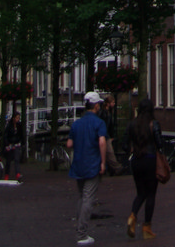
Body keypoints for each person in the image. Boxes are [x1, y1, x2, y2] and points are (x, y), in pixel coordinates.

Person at [66, 91, 107, 247]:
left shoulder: (76, 124)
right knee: (88, 198)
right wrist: (103, 162)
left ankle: (80, 229)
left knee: (82, 197)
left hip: (78, 165)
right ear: (96, 106)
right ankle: (81, 234)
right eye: (99, 105)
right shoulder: (99, 123)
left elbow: (69, 144)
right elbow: (102, 142)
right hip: (92, 164)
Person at [123, 98, 163, 240]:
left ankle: (132, 216)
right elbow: (159, 143)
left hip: (136, 161)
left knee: (140, 193)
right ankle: (147, 228)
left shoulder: (131, 124)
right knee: (151, 194)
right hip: (150, 160)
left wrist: (132, 150)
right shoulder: (154, 124)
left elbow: (124, 145)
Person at [3, 110, 23, 181]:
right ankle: (6, 175)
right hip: (10, 145)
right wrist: (7, 144)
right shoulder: (9, 125)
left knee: (16, 159)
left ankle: (18, 174)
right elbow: (6, 135)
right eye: (17, 118)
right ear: (13, 118)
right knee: (8, 161)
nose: (18, 119)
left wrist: (20, 142)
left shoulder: (19, 125)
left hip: (16, 145)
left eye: (18, 118)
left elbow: (21, 135)